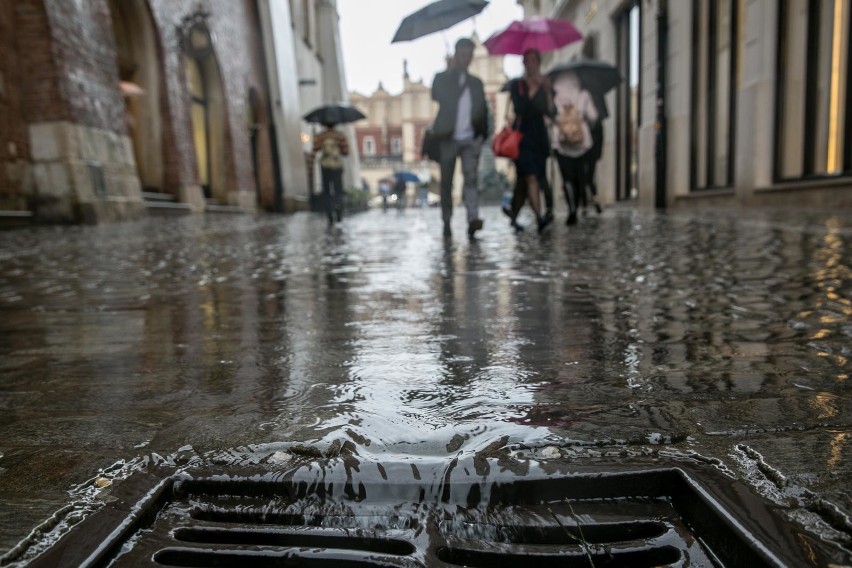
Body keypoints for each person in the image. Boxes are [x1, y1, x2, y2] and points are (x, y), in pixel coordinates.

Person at [431, 37, 488, 238]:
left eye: (469, 55)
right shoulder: (443, 78)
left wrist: (482, 137)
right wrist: (449, 72)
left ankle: (473, 218)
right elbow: (435, 94)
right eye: (463, 54)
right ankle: (446, 220)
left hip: (471, 139)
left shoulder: (476, 83)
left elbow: (483, 111)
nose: (466, 59)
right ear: (456, 55)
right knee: (446, 182)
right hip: (448, 138)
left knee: (471, 179)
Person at [508, 48, 555, 234]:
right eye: (527, 61)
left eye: (534, 60)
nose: (531, 64)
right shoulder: (517, 85)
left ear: (539, 63)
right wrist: (534, 88)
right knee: (531, 177)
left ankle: (513, 216)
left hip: (539, 137)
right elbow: (521, 109)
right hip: (522, 137)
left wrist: (549, 92)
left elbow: (551, 112)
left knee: (523, 183)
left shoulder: (545, 85)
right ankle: (539, 217)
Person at [551, 70, 598, 225]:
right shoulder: (583, 94)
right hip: (582, 143)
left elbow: (548, 118)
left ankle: (571, 208)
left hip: (561, 142)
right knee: (579, 176)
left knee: (567, 178)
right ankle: (577, 206)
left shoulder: (555, 96)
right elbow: (593, 116)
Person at [308, 123, 349, 224]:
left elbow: (314, 151)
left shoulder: (320, 136)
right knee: (338, 190)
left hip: (325, 167)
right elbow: (346, 152)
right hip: (337, 166)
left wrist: (310, 167)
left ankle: (329, 215)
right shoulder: (340, 136)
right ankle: (339, 213)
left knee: (327, 191)